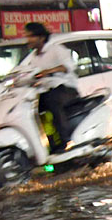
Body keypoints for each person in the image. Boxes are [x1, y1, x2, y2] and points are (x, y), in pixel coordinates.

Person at [16, 21, 79, 151]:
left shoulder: (56, 50)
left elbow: (68, 66)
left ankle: (65, 140)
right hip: (46, 90)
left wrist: (48, 71)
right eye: (27, 36)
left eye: (31, 36)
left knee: (52, 101)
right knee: (32, 108)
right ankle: (48, 143)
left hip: (66, 88)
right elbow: (29, 74)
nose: (28, 40)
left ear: (41, 37)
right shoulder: (33, 57)